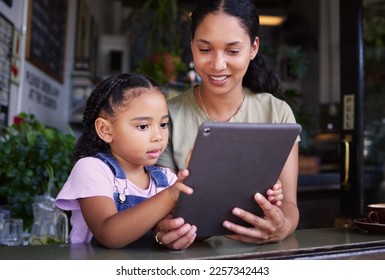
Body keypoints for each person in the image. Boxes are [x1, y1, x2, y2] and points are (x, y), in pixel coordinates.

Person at [155, 0, 299, 246]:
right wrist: (161, 231)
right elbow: (158, 207)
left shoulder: (277, 112)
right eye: (205, 49)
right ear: (191, 46)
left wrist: (282, 227)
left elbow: (289, 205)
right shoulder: (166, 115)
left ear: (253, 48)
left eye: (232, 51)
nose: (217, 64)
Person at [55, 73, 197, 249]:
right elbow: (109, 234)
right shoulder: (92, 169)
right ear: (105, 130)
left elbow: (194, 226)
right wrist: (171, 196)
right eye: (143, 126)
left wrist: (172, 233)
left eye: (163, 124)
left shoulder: (166, 179)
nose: (158, 136)